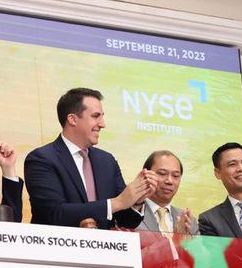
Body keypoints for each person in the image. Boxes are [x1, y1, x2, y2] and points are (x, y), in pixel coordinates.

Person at [24, 87, 157, 229]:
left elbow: (126, 220)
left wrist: (137, 200)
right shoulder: (41, 159)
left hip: (105, 249)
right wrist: (116, 203)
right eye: (95, 116)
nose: (102, 124)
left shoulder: (107, 161)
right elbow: (53, 213)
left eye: (102, 116)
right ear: (72, 119)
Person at [134, 151, 197, 268]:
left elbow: (201, 265)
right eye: (162, 174)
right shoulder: (129, 215)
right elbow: (129, 261)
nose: (169, 181)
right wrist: (174, 242)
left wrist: (190, 245)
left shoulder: (189, 220)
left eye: (175, 176)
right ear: (145, 175)